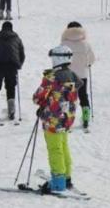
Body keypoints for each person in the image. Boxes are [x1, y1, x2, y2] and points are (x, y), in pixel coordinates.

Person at [33, 46, 82, 193]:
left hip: (53, 120)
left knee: (55, 149)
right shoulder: (72, 75)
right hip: (67, 118)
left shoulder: (52, 77)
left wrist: (42, 103)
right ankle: (66, 176)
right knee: (63, 146)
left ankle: (58, 181)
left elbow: (37, 97)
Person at [60, 22, 95, 128]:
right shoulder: (86, 44)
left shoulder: (63, 44)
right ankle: (85, 115)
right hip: (82, 75)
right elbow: (91, 59)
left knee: (68, 97)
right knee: (83, 95)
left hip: (68, 75)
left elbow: (60, 60)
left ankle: (67, 118)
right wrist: (86, 64)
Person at [0, 21, 25, 121]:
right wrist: (18, 65)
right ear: (11, 28)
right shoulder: (16, 38)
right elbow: (22, 54)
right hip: (11, 66)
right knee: (11, 87)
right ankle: (11, 110)